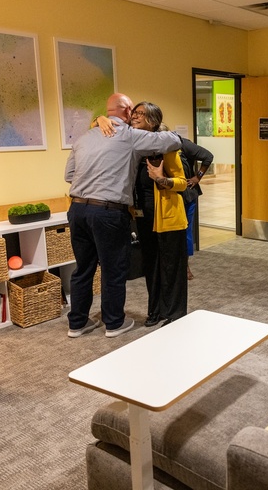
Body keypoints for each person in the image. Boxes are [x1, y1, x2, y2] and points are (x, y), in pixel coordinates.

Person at [64, 93, 181, 339]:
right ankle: (114, 322)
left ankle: (77, 323)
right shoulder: (128, 135)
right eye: (134, 113)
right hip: (108, 211)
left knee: (83, 268)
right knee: (113, 268)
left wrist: (98, 121)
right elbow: (171, 140)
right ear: (127, 112)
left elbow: (69, 175)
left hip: (77, 209)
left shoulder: (84, 137)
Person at [98, 103, 189, 327]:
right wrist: (100, 118)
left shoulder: (166, 147)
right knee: (151, 267)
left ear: (153, 121)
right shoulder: (133, 146)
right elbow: (101, 126)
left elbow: (183, 183)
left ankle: (175, 314)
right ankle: (155, 311)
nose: (135, 117)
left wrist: (161, 178)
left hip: (169, 218)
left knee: (171, 268)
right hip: (143, 218)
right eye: (134, 113)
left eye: (141, 114)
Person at [179, 138, 214, 280]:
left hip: (187, 194)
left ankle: (185, 265)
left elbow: (208, 156)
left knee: (185, 229)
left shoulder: (182, 143)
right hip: (167, 196)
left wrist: (197, 177)